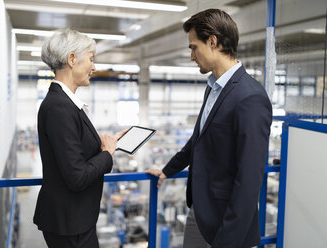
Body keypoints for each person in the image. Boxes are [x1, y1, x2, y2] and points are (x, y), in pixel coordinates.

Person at [146, 9, 272, 248]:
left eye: (194, 47)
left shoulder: (250, 97)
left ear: (213, 42)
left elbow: (249, 181)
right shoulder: (214, 88)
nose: (192, 56)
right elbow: (199, 139)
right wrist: (167, 169)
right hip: (199, 211)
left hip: (228, 223)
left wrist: (228, 241)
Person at [33, 28, 125, 248]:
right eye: (91, 59)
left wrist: (105, 144)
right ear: (72, 59)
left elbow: (75, 153)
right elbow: (77, 176)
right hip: (69, 224)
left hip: (75, 220)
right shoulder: (59, 108)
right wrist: (107, 153)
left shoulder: (67, 104)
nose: (94, 67)